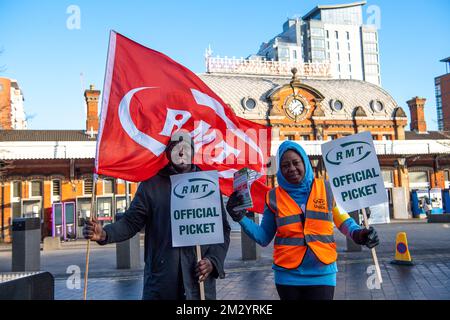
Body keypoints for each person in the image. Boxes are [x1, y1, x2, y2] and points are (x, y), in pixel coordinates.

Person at [226, 141, 379, 300]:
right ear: (280, 169)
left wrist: (360, 234)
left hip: (322, 273)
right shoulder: (273, 197)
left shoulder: (326, 189)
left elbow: (344, 221)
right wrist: (240, 217)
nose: (291, 168)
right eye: (285, 165)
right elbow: (263, 236)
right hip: (287, 276)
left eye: (295, 162)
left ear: (304, 162)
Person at [83, 136, 231, 300]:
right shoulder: (151, 185)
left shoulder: (208, 184)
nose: (181, 152)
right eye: (175, 147)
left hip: (199, 287)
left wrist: (212, 261)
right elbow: (130, 222)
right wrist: (104, 234)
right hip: (161, 285)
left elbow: (222, 230)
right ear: (168, 153)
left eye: (186, 147)